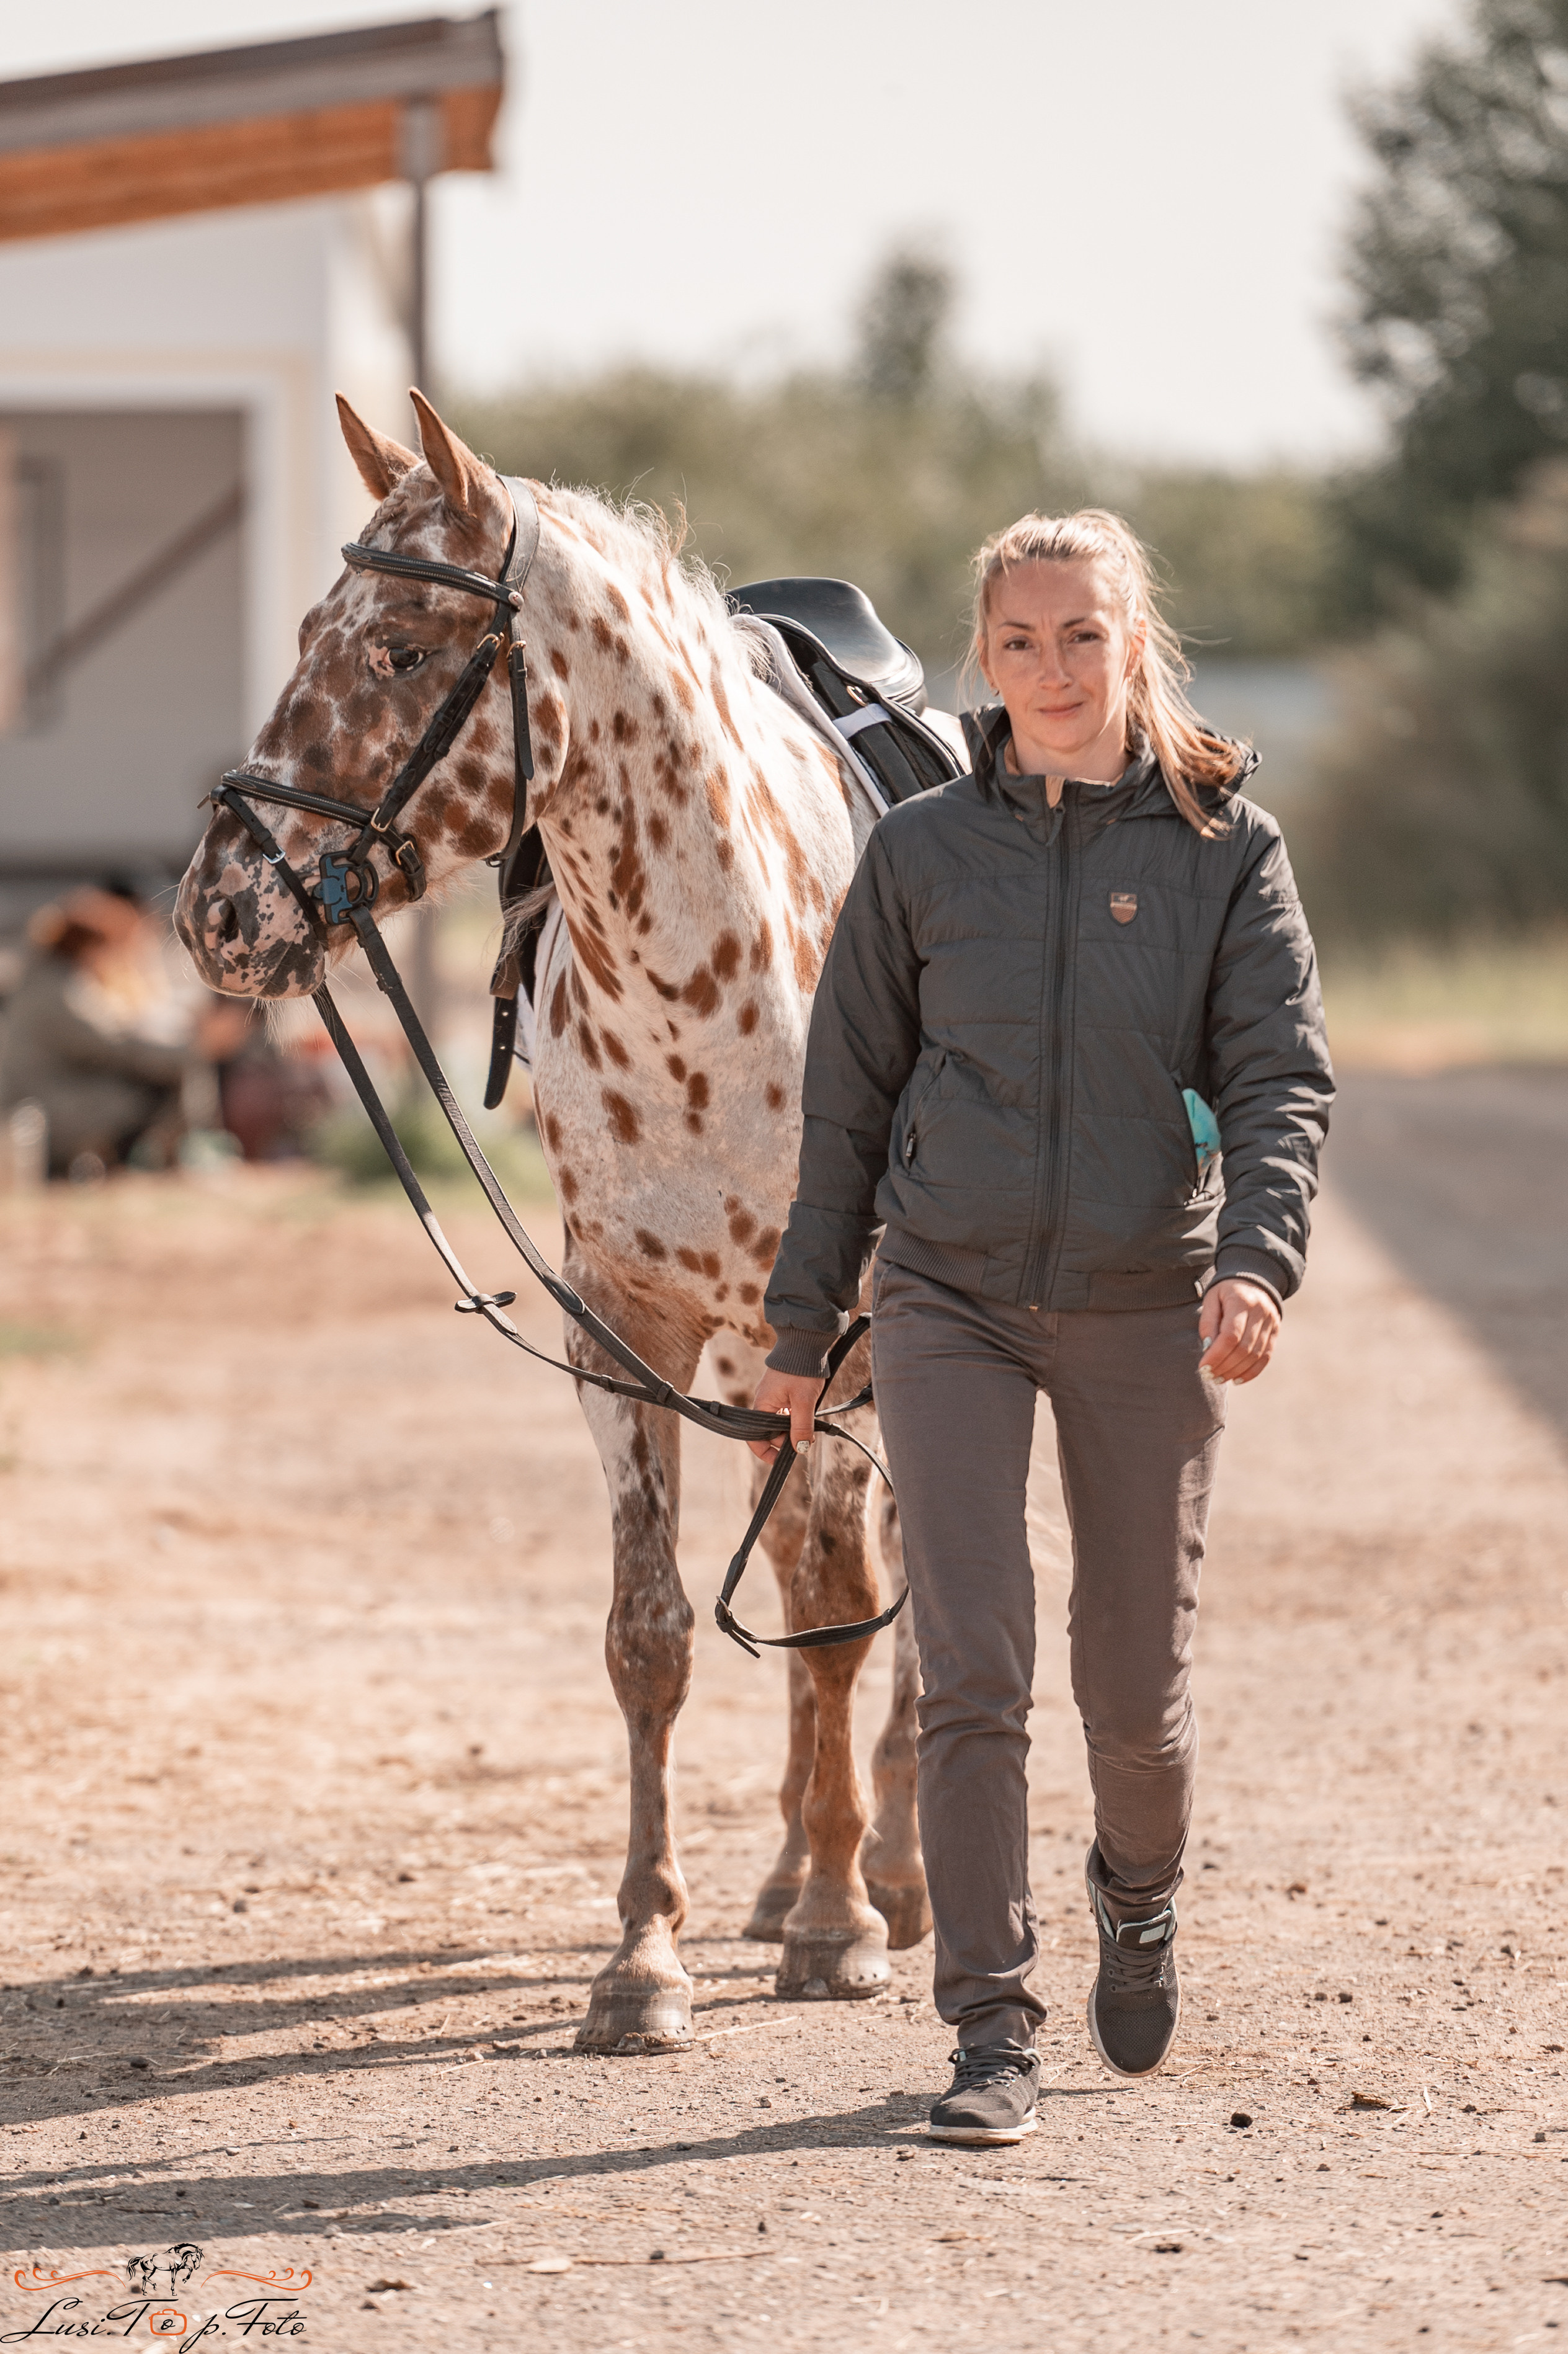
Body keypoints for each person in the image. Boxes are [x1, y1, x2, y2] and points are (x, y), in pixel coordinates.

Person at [751, 509, 1333, 2145]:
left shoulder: (1229, 848)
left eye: (1083, 635)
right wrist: (804, 1329)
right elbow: (846, 1106)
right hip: (947, 1295)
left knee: (1134, 1691)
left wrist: (1258, 1260)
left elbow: (1283, 1078)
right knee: (974, 1670)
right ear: (980, 658)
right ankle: (990, 2026)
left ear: (1131, 639)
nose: (1054, 671)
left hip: (1150, 1299)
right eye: (1021, 642)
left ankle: (1135, 1896)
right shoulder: (922, 851)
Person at [0, 883, 198, 1178]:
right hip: (41, 1112)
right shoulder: (58, 993)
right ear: (90, 949)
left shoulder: (46, 980)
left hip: (45, 1098)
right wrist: (191, 1052)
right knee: (164, 1083)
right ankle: (154, 1168)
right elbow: (115, 1047)